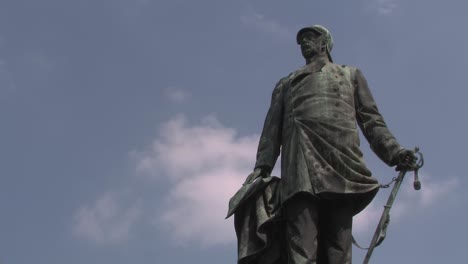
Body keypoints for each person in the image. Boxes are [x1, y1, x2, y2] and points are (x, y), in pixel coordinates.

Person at [243, 25, 417, 264]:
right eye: (302, 40)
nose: (304, 43)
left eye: (310, 38)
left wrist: (395, 153)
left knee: (339, 245)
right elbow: (271, 130)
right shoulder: (286, 84)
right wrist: (262, 166)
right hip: (299, 164)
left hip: (342, 164)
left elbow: (372, 121)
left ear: (325, 42)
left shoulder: (350, 75)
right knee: (302, 242)